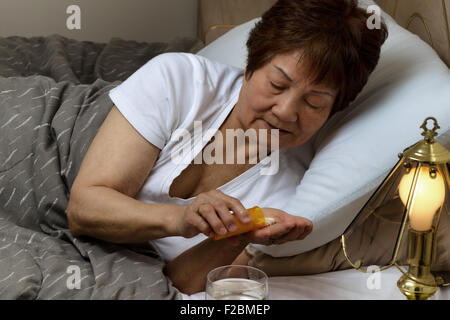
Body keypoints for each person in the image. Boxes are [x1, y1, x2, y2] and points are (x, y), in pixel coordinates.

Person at [66, 0, 388, 294]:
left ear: (334, 110)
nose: (286, 111)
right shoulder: (180, 80)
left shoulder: (286, 193)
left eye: (314, 103)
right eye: (277, 85)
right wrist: (181, 219)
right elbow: (83, 209)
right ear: (249, 65)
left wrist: (239, 236)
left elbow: (181, 282)